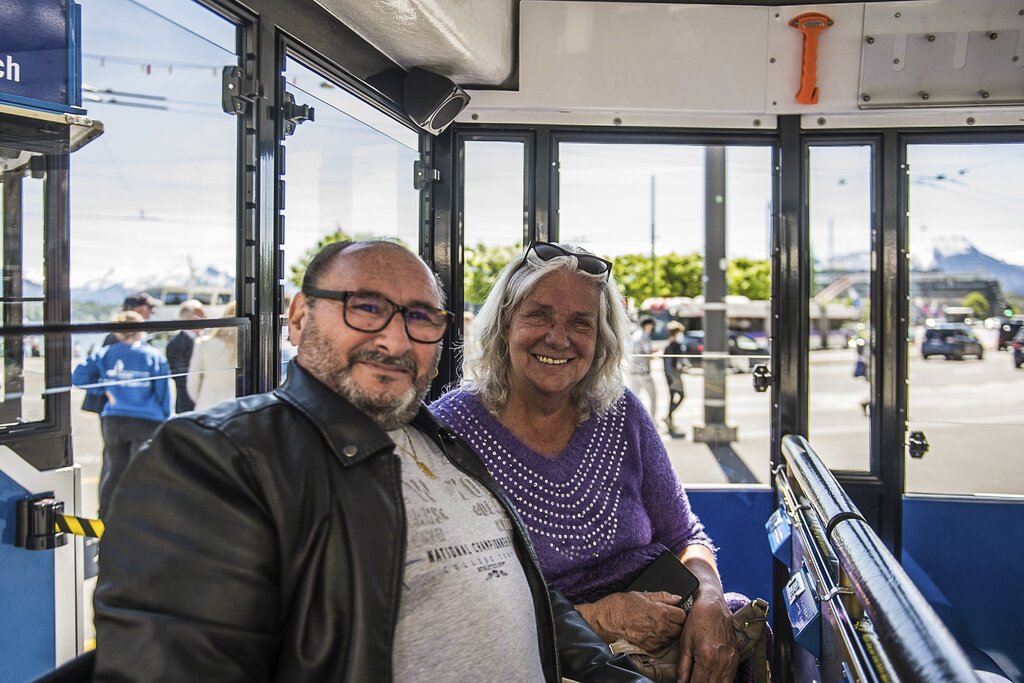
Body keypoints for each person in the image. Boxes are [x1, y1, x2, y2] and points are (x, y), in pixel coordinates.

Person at [93, 240, 646, 682]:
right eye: (366, 308)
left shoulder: (438, 439)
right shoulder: (217, 457)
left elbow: (529, 593)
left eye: (421, 317)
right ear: (299, 316)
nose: (395, 338)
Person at [432, 241, 742, 683]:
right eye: (538, 315)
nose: (558, 338)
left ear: (601, 341)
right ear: (503, 323)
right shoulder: (453, 431)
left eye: (581, 323)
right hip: (550, 660)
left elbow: (685, 536)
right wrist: (596, 619)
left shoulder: (622, 412)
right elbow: (457, 604)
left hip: (671, 639)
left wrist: (709, 596)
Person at [71, 311, 171, 518]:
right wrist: (166, 419)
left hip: (114, 419)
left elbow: (79, 377)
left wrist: (103, 389)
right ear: (141, 330)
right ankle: (137, 517)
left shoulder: (106, 353)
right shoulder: (153, 356)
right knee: (142, 471)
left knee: (116, 470)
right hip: (146, 420)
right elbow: (163, 393)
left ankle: (105, 516)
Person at [186, 302, 238, 411]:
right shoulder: (249, 345)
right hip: (237, 409)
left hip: (207, 407)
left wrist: (202, 400)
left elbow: (193, 382)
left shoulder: (204, 344)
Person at [166, 299, 206, 413]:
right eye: (201, 315)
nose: (206, 319)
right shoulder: (176, 344)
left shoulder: (206, 340)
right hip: (187, 403)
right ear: (191, 318)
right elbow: (179, 374)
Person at [663, 321, 689, 435]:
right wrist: (683, 369)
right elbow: (679, 361)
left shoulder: (667, 345)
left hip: (668, 375)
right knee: (682, 395)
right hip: (675, 375)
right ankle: (668, 416)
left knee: (672, 396)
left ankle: (670, 419)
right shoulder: (677, 346)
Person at [630, 316, 658, 418]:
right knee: (653, 397)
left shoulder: (634, 335)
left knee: (633, 399)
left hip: (633, 372)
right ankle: (653, 421)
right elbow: (648, 354)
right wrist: (656, 354)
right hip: (643, 373)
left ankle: (632, 420)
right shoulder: (645, 337)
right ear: (647, 325)